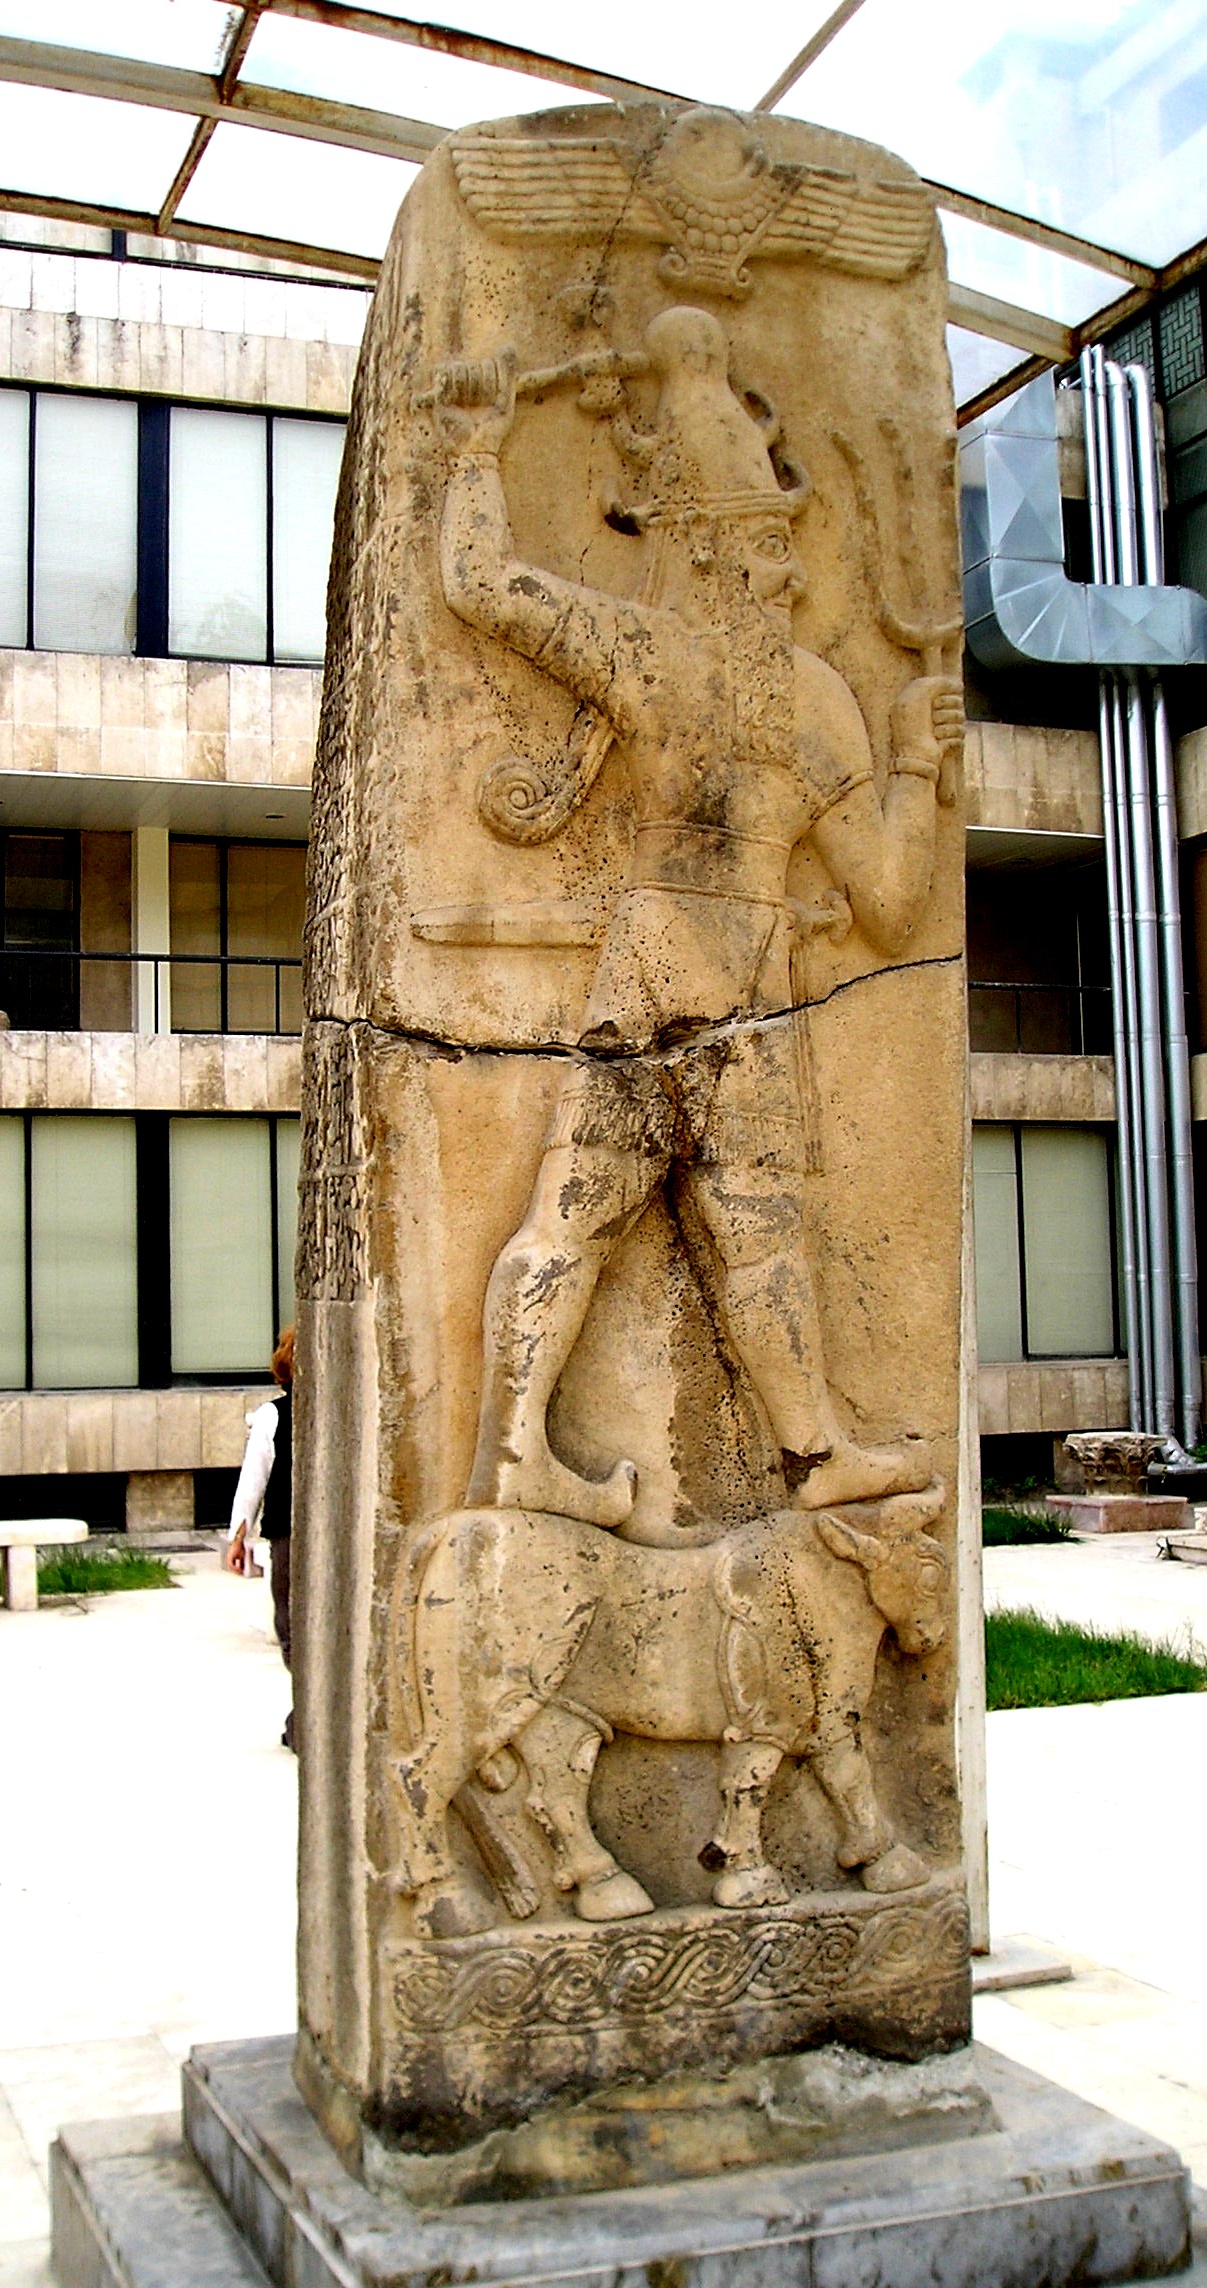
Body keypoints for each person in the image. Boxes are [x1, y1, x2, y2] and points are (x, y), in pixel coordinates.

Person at [429, 307, 962, 1528]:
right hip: (739, 985)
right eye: (767, 546)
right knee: (749, 1232)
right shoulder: (810, 698)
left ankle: (514, 1449)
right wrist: (915, 769)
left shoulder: (647, 654)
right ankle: (809, 1453)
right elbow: (885, 896)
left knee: (581, 1211)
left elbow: (478, 580)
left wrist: (475, 450)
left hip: (649, 968)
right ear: (717, 550)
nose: (788, 569)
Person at [228, 1326, 296, 1748]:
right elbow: (255, 1478)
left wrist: (240, 1537)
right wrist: (241, 1534)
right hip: (297, 1533)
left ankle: (306, 1716)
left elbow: (254, 1478)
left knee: (292, 1626)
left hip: (289, 1533)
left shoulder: (273, 1415)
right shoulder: (274, 1415)